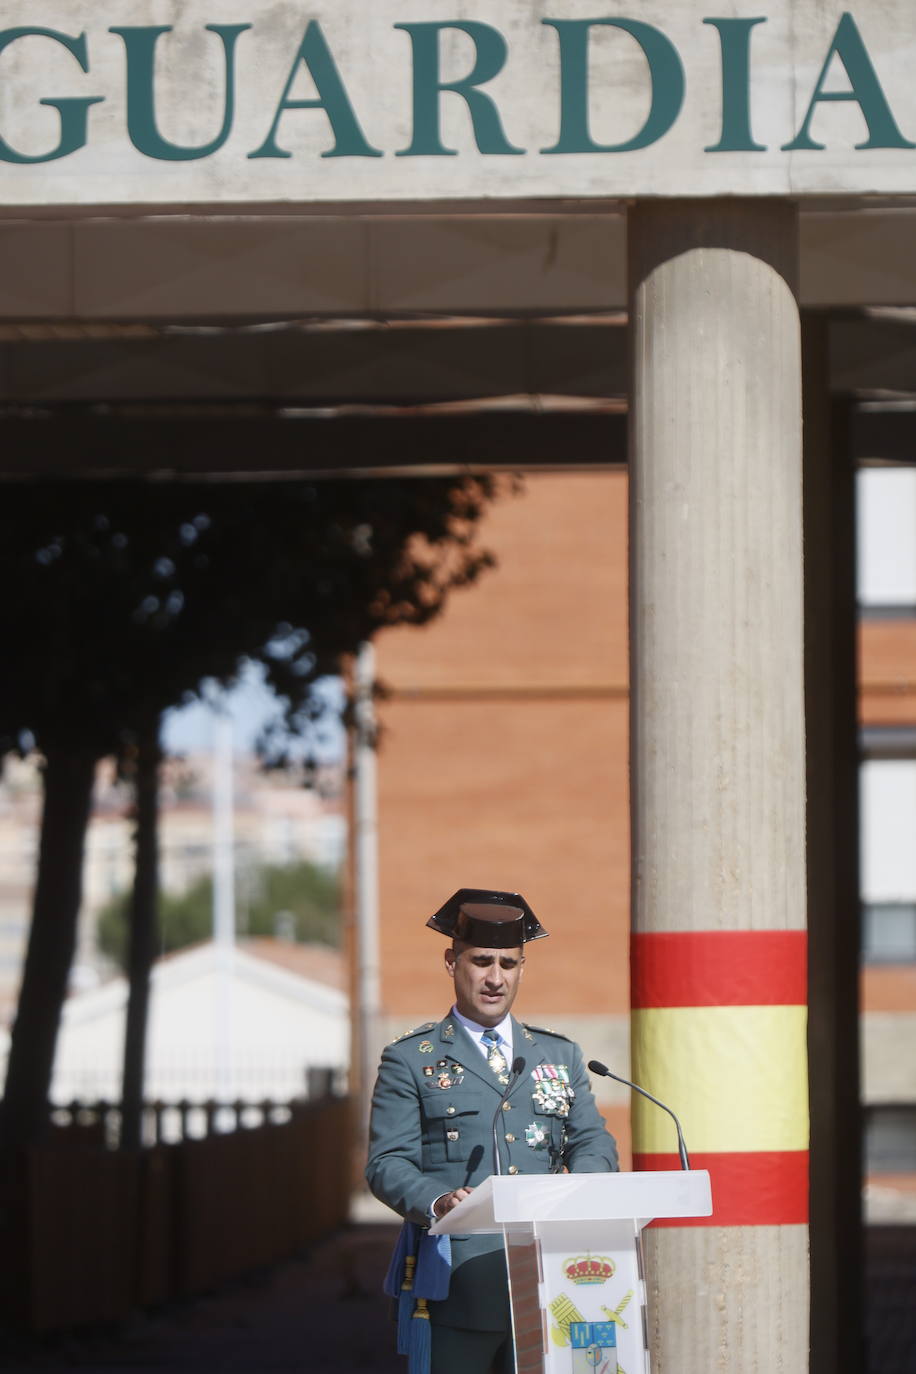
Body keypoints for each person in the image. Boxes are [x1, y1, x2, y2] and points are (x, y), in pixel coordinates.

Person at [366, 888, 619, 1374]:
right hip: (460, 1284)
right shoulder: (411, 1059)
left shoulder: (557, 1054)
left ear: (522, 968)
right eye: (482, 961)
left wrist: (579, 1191)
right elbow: (386, 1163)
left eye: (509, 964)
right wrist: (439, 1202)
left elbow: (592, 1139)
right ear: (451, 962)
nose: (495, 978)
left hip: (553, 1281)